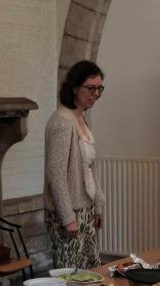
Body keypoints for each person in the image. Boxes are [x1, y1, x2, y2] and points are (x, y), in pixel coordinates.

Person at [44, 60, 106, 269]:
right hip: (68, 211)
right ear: (74, 88)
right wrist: (68, 218)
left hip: (85, 208)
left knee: (91, 271)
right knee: (70, 275)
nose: (96, 94)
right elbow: (56, 174)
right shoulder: (62, 121)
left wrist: (97, 206)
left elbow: (90, 166)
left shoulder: (81, 119)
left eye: (99, 89)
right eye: (91, 88)